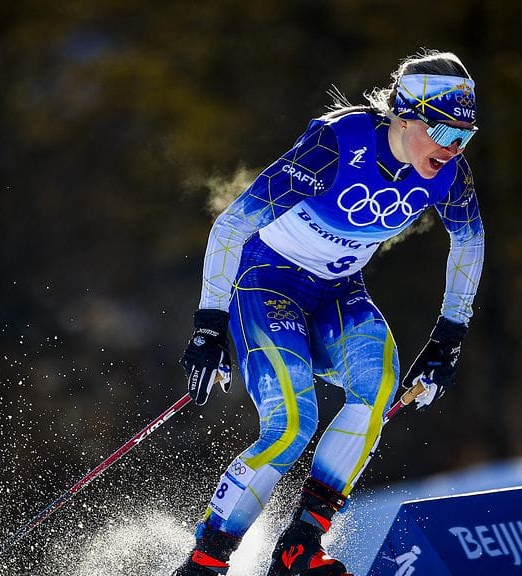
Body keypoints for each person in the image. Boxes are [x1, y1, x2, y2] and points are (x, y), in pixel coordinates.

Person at [175, 49, 485, 576]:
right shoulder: (336, 143)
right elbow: (230, 227)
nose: (453, 149)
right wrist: (209, 325)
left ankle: (298, 547)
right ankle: (205, 563)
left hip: (337, 290)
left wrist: (450, 333)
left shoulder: (448, 175)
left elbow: (470, 243)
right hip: (267, 283)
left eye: (465, 137)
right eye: (444, 133)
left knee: (379, 385)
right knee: (293, 425)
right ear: (405, 116)